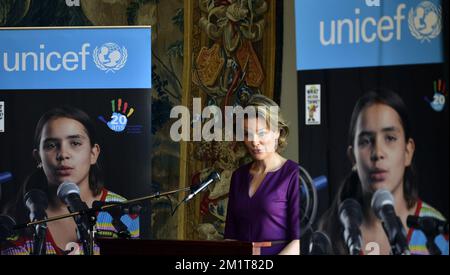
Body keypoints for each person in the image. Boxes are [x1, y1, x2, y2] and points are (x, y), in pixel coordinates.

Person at [319, 90, 449, 255]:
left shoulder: (436, 230)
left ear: (408, 151)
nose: (378, 153)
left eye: (390, 138)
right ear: (353, 158)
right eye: (366, 141)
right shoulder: (330, 233)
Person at [0, 106, 139, 255]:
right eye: (51, 145)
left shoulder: (121, 212)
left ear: (93, 153)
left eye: (75, 143)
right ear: (38, 157)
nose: (63, 154)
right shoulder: (14, 221)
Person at [224, 94, 300, 255]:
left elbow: (299, 241)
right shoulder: (238, 176)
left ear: (277, 132)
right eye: (247, 134)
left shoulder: (293, 174)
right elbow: (230, 236)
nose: (254, 141)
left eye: (261, 133)